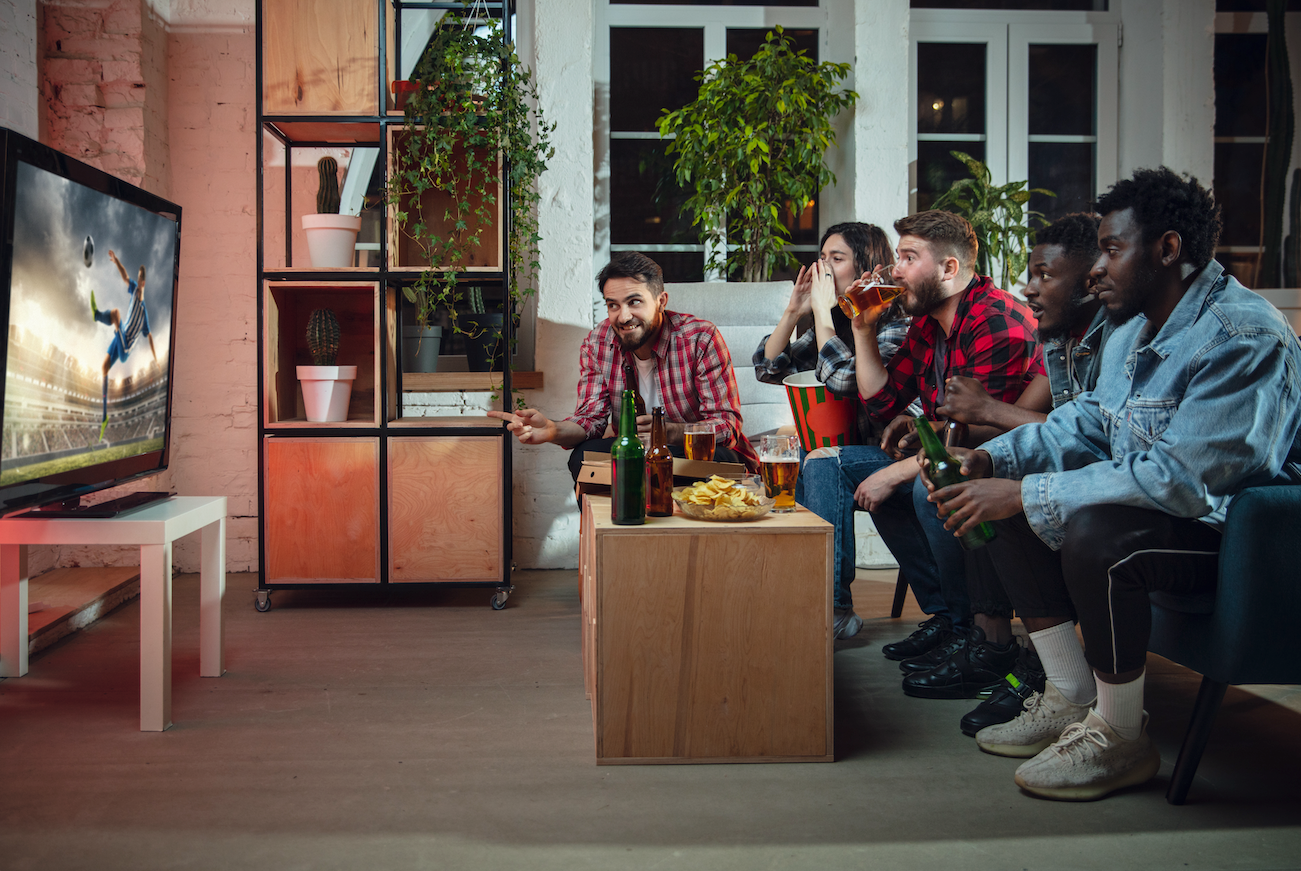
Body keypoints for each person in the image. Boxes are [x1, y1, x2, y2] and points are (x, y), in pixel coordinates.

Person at [923, 167, 1301, 801]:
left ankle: (1122, 735)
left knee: (1095, 529)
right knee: (1012, 495)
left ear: (1168, 249)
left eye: (1111, 249)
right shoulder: (1134, 331)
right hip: (1172, 520)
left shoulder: (1245, 334)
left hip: (1244, 539)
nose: (1095, 267)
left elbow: (1184, 481)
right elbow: (1090, 422)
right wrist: (996, 464)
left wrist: (1022, 492)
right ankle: (1071, 694)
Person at [901, 214, 1115, 735]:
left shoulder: (1101, 337)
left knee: (996, 494)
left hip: (1167, 497)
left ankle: (1024, 660)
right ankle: (1004, 651)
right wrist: (990, 457)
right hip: (1091, 469)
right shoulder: (1063, 336)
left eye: (1043, 276)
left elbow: (1103, 442)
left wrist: (989, 418)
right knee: (977, 483)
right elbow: (1069, 428)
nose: (1028, 288)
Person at [800, 210, 1041, 650]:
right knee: (825, 463)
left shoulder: (995, 320)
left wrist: (892, 471)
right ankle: (845, 611)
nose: (896, 270)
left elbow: (973, 435)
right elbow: (882, 402)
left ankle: (965, 624)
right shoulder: (930, 323)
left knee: (918, 484)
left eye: (909, 258)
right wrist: (863, 329)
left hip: (995, 461)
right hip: (943, 449)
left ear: (949, 269)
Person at [489, 251, 759, 476]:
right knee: (583, 457)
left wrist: (668, 433)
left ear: (661, 301)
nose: (623, 316)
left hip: (695, 456)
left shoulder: (700, 338)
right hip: (635, 454)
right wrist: (552, 430)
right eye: (613, 305)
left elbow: (727, 427)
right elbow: (590, 420)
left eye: (634, 302)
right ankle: (611, 534)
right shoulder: (598, 342)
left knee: (682, 461)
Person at [754, 222, 911, 448]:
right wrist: (793, 311)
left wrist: (821, 310)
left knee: (811, 457)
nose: (823, 269)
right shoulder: (836, 321)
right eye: (823, 258)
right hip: (844, 446)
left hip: (889, 450)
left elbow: (840, 379)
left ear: (864, 267)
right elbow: (768, 370)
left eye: (836, 259)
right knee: (788, 450)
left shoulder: (897, 325)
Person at [92, 249, 156, 442]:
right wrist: (117, 260)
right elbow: (125, 276)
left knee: (116, 315)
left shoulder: (144, 315)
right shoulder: (133, 288)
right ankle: (104, 418)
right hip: (119, 338)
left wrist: (155, 358)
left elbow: (150, 336)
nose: (136, 284)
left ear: (143, 284)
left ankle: (96, 315)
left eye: (139, 281)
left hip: (125, 348)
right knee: (103, 368)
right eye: (136, 281)